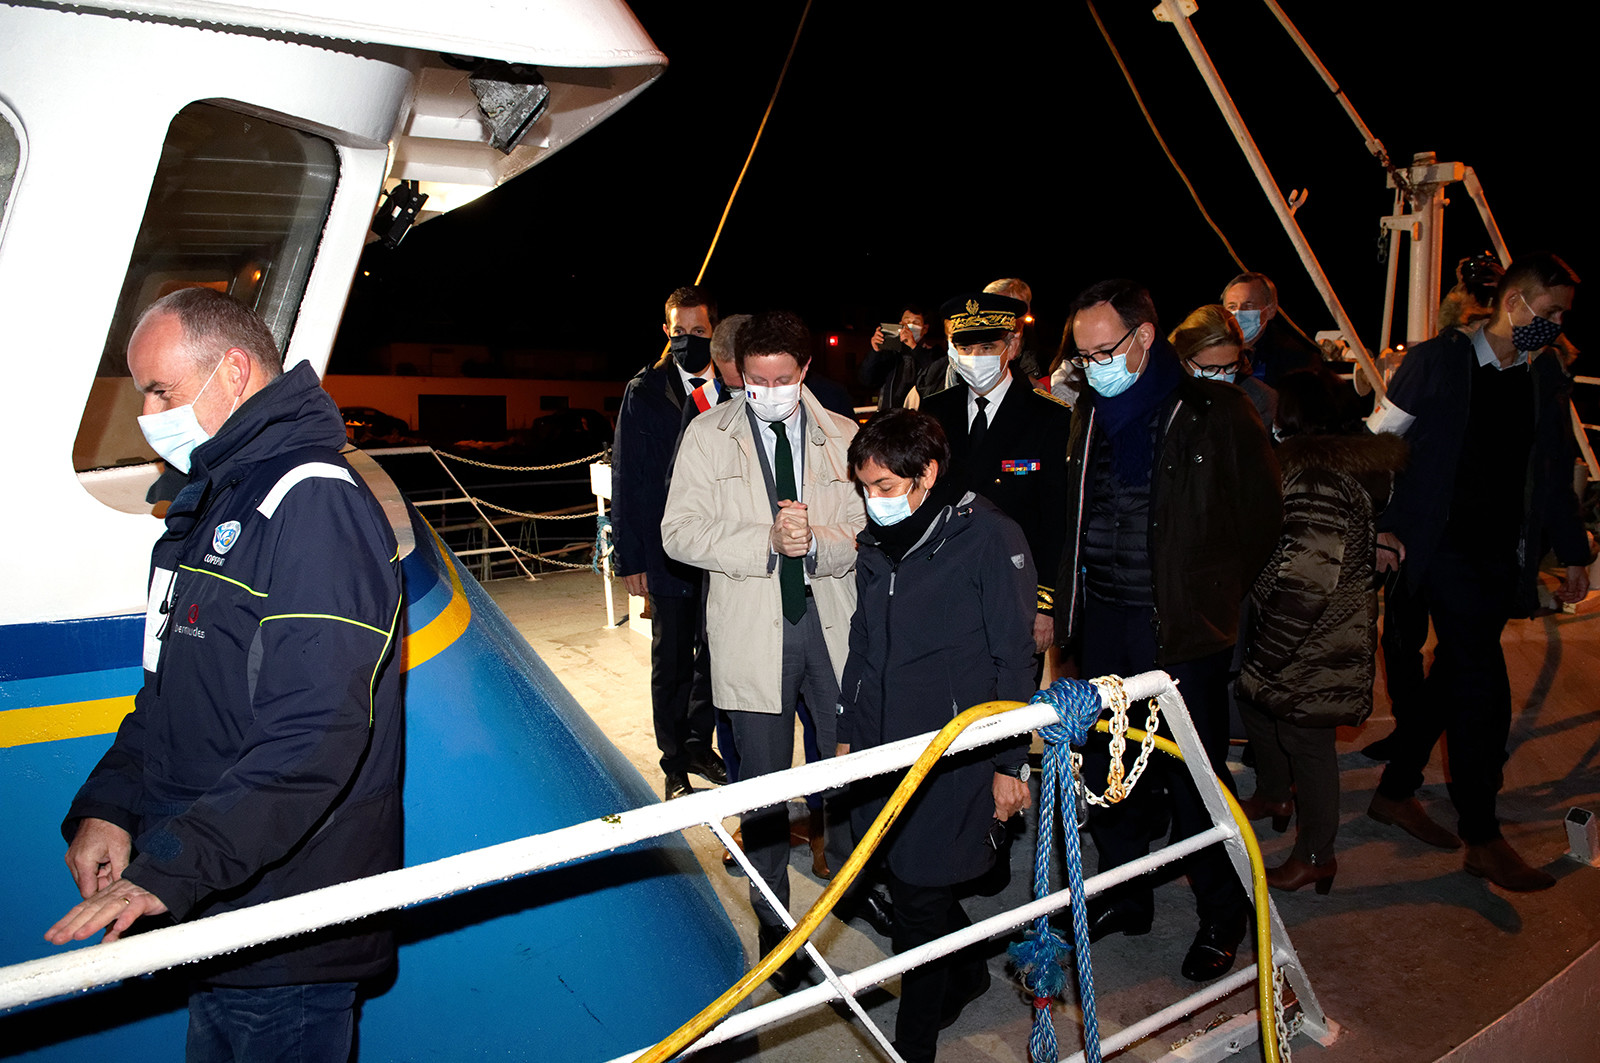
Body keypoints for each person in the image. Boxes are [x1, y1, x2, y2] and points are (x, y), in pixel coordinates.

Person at [45, 288, 404, 1060]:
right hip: (216, 903)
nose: (147, 416)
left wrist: (173, 869)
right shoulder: (211, 504)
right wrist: (113, 808)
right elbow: (165, 700)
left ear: (234, 373)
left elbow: (315, 736)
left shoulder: (311, 504)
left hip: (282, 924)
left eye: (160, 391)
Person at [1055, 278, 1281, 982]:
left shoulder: (1215, 411)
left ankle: (1223, 910)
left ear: (1145, 338)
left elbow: (1261, 521)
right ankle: (1125, 895)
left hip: (1181, 634)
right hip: (1104, 628)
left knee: (1194, 778)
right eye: (1084, 353)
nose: (1094, 363)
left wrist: (1206, 594)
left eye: (1105, 349)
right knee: (1111, 770)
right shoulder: (1087, 415)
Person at [1366, 253, 1590, 891]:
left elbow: (1550, 473)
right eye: (1549, 314)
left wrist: (1573, 552)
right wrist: (1380, 527)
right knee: (1482, 684)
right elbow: (1383, 443)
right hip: (1440, 550)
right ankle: (1483, 833)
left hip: (1502, 554)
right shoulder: (1439, 361)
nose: (1555, 327)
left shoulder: (1543, 376)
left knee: (1454, 673)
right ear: (1513, 302)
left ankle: (1396, 789)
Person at [661, 310, 863, 991]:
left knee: (851, 767)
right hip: (753, 631)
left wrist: (823, 545)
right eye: (755, 379)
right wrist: (763, 543)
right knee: (766, 789)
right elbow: (678, 533)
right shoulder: (705, 435)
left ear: (805, 371)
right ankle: (776, 929)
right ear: (736, 372)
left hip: (832, 626)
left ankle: (854, 892)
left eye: (782, 378)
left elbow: (872, 526)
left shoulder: (844, 436)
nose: (769, 390)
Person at [837, 408, 1036, 1062]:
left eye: (887, 487)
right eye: (866, 487)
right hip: (882, 745)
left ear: (926, 474)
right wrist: (847, 730)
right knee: (903, 874)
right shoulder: (875, 544)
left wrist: (1011, 761)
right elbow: (863, 644)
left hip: (955, 754)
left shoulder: (987, 538)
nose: (875, 501)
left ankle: (911, 1047)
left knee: (918, 902)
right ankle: (971, 968)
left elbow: (1013, 655)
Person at [1236, 371, 1406, 894]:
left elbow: (1307, 579)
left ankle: (1317, 854)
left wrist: (1269, 650)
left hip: (1314, 636)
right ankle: (1273, 791)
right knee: (1262, 712)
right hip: (1312, 629)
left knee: (1307, 742)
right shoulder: (1331, 470)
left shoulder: (1315, 479)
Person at [612, 285, 729, 800]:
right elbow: (628, 479)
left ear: (715, 332)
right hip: (669, 554)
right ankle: (674, 761)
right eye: (678, 332)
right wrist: (630, 558)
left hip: (724, 551)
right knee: (673, 660)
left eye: (698, 332)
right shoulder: (645, 391)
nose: (687, 341)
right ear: (666, 333)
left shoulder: (735, 388)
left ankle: (700, 742)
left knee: (718, 656)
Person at [921, 292, 1069, 662]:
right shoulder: (934, 411)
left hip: (1016, 591)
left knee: (1013, 710)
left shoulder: (1050, 418)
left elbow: (1055, 519)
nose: (975, 359)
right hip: (948, 587)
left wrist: (1045, 606)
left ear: (1013, 345)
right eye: (965, 348)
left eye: (987, 346)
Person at [1169, 303, 1278, 432]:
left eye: (1230, 367)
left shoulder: (1257, 399)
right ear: (1183, 361)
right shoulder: (1163, 394)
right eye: (1210, 369)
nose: (1222, 376)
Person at [1221, 271, 1322, 386]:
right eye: (1232, 307)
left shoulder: (1296, 361)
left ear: (1271, 310)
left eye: (1249, 306)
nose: (1238, 313)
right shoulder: (1212, 350)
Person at [863, 304, 947, 410]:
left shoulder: (934, 353)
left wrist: (914, 347)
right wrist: (875, 351)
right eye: (906, 322)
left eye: (916, 322)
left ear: (925, 329)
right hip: (891, 417)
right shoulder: (891, 354)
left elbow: (935, 376)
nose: (909, 327)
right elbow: (867, 379)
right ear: (900, 325)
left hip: (921, 418)